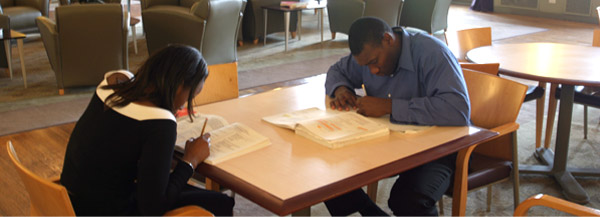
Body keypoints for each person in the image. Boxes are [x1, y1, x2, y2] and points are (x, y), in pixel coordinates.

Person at [60, 45, 234, 216]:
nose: (183, 105)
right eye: (191, 97)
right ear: (180, 86)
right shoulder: (160, 124)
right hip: (106, 210)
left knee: (197, 193)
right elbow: (152, 208)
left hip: (71, 201)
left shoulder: (112, 84)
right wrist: (190, 160)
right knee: (220, 203)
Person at [324, 17, 471, 216]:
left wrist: (390, 106)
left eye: (375, 62)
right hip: (389, 142)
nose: (373, 71)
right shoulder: (370, 54)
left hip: (439, 148)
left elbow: (457, 110)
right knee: (328, 174)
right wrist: (341, 89)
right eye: (366, 66)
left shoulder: (432, 53)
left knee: (409, 200)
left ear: (388, 39)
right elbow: (337, 71)